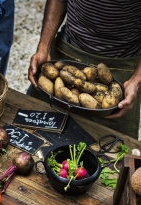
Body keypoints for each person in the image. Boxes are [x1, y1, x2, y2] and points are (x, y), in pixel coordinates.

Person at [28, 0, 141, 139]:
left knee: (112, 144)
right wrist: (43, 48)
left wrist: (136, 80)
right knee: (33, 128)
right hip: (66, 54)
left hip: (120, 66)